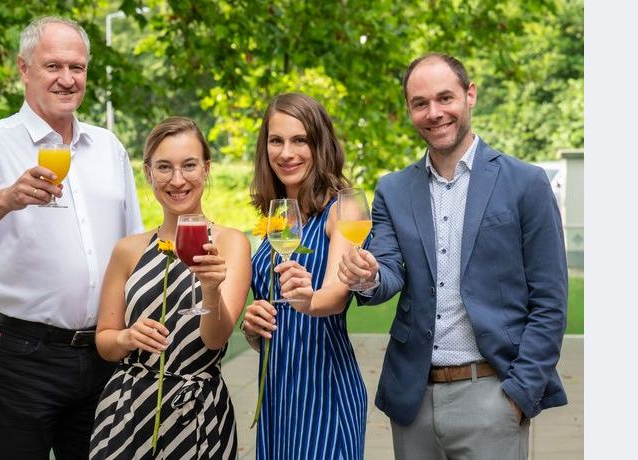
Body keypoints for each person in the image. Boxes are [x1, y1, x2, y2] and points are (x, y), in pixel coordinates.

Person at [0, 16, 143, 459]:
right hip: (18, 358)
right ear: (24, 69)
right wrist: (6, 198)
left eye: (77, 67)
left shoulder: (108, 148)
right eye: (53, 66)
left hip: (103, 354)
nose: (67, 79)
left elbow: (133, 247)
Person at [339, 53, 568, 459]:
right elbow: (388, 272)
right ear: (409, 109)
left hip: (493, 396)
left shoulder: (526, 183)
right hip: (412, 400)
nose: (434, 113)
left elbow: (550, 302)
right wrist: (368, 276)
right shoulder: (392, 189)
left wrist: (519, 394)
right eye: (420, 103)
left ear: (470, 95)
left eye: (445, 98)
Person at [88, 116, 251, 459]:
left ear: (206, 169)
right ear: (148, 173)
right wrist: (126, 337)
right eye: (164, 167)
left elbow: (215, 339)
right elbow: (105, 340)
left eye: (189, 165)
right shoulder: (128, 250)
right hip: (128, 412)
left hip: (199, 413)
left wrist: (210, 289)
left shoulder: (231, 243)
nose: (177, 180)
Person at [240, 92, 367, 459]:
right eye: (276, 140)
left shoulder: (344, 207)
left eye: (300, 140)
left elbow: (335, 295)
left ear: (320, 144)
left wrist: (309, 299)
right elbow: (271, 324)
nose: (286, 152)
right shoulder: (274, 220)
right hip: (277, 395)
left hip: (324, 390)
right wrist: (252, 328)